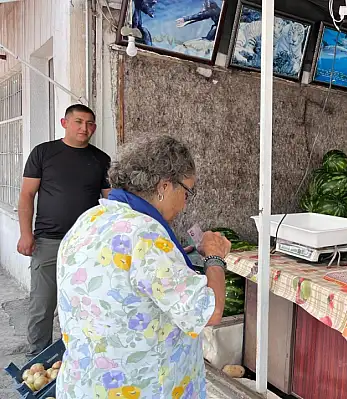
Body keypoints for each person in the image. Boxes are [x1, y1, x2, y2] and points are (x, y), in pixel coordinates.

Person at [55, 135, 231, 398]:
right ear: (164, 186)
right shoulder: (146, 235)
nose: (185, 203)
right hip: (139, 388)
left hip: (85, 384)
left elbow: (124, 276)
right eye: (187, 192)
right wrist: (215, 258)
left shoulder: (90, 218)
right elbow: (210, 311)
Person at [17, 104, 111, 358]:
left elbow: (110, 202)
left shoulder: (101, 159)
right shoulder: (44, 153)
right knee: (42, 304)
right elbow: (27, 195)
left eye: (90, 123)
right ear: (64, 122)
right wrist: (26, 234)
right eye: (79, 122)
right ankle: (38, 358)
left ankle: (77, 356)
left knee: (83, 302)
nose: (85, 128)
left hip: (87, 244)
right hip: (48, 241)